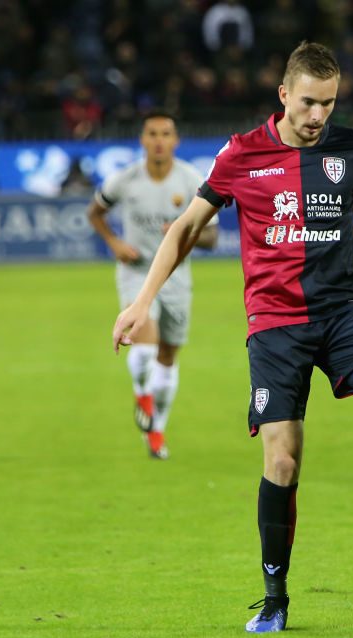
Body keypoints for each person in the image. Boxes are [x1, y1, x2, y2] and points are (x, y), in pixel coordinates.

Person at [111, 42, 353, 633]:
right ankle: (275, 598)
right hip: (275, 323)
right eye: (309, 103)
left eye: (329, 103)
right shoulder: (241, 154)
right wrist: (142, 302)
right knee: (283, 459)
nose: (318, 116)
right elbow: (186, 227)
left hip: (342, 309)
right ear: (284, 94)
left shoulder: (352, 147)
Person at [89, 110, 219, 459]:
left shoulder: (192, 180)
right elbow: (95, 212)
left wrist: (183, 231)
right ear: (142, 140)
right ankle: (142, 394)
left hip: (177, 277)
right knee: (144, 339)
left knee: (168, 357)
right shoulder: (125, 180)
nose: (159, 141)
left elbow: (212, 237)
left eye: (165, 134)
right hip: (137, 272)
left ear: (175, 140)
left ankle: (156, 429)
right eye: (152, 134)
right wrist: (114, 243)